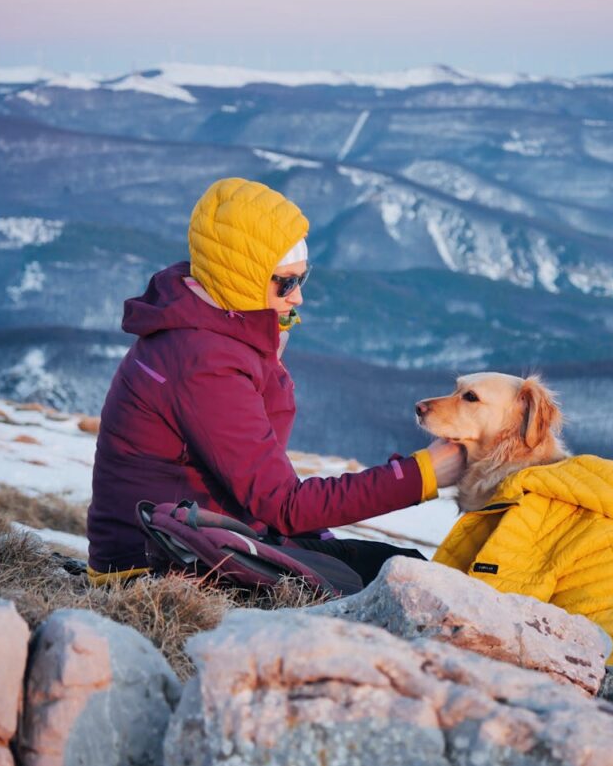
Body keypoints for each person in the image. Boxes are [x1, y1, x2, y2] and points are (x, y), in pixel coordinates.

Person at [86, 177, 466, 585]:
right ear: (240, 277)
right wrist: (425, 473)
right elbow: (285, 505)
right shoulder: (206, 363)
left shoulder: (209, 329)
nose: (297, 297)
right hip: (164, 562)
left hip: (194, 539)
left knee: (396, 565)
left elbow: (259, 482)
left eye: (302, 279)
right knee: (397, 582)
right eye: (285, 282)